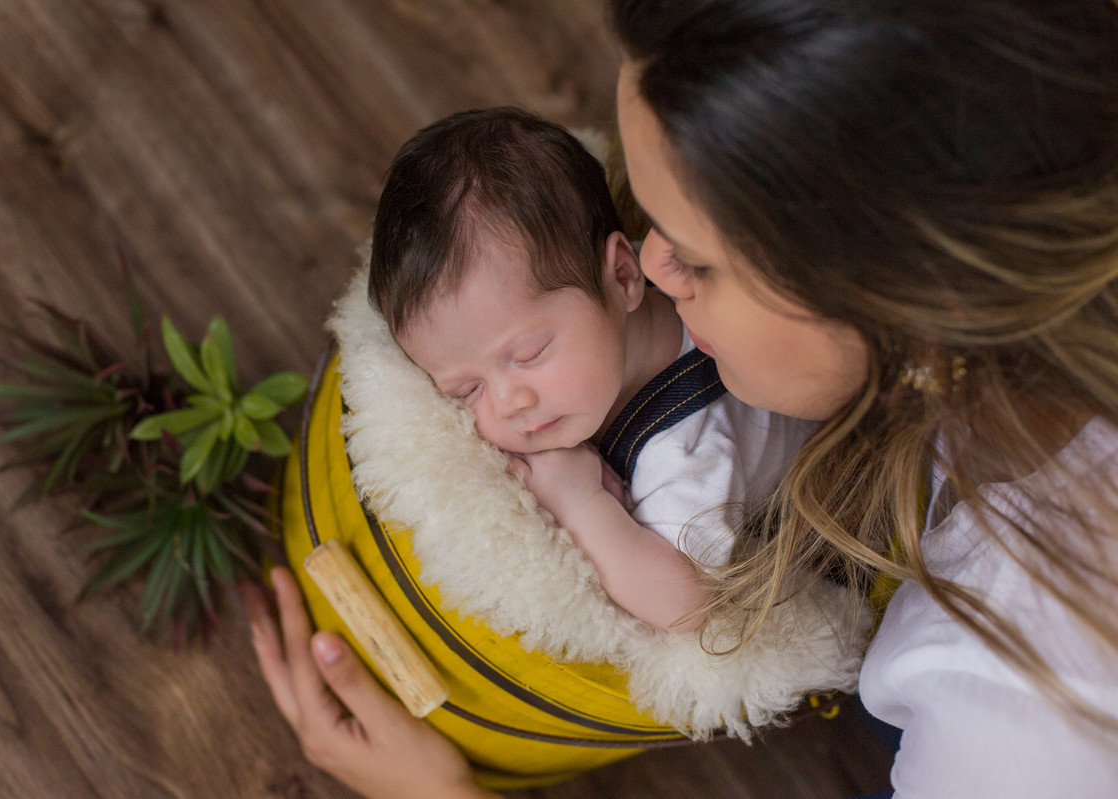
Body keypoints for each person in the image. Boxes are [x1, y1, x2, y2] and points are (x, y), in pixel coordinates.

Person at [240, 1, 1118, 796]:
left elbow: (689, 605)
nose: (651, 267)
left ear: (904, 297)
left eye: (694, 260)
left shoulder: (1031, 721)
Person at [366, 106, 813, 631]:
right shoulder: (601, 302)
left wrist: (581, 506)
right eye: (466, 389)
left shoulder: (689, 450)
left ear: (625, 275)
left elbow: (690, 606)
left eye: (529, 354)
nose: (509, 402)